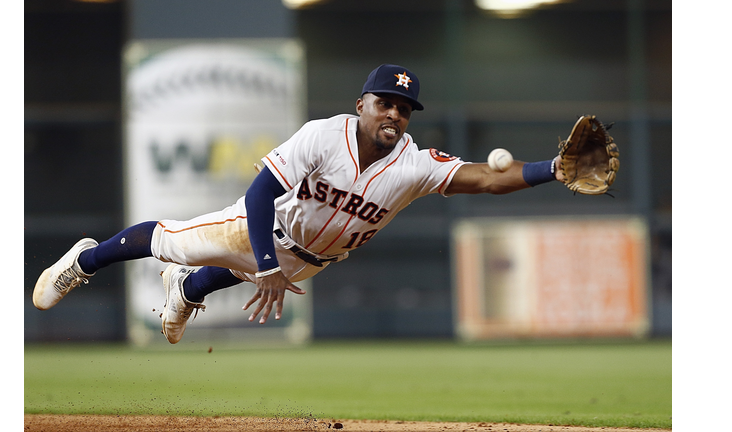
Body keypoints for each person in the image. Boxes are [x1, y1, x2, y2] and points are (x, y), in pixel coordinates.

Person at [32, 64, 564, 344]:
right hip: (260, 230)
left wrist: (553, 170)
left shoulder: (415, 163)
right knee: (170, 242)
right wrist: (264, 262)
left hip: (310, 260)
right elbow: (263, 191)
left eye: (405, 108)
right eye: (386, 103)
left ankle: (184, 294)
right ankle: (83, 260)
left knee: (223, 277)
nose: (395, 115)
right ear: (362, 104)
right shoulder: (323, 136)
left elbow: (488, 179)